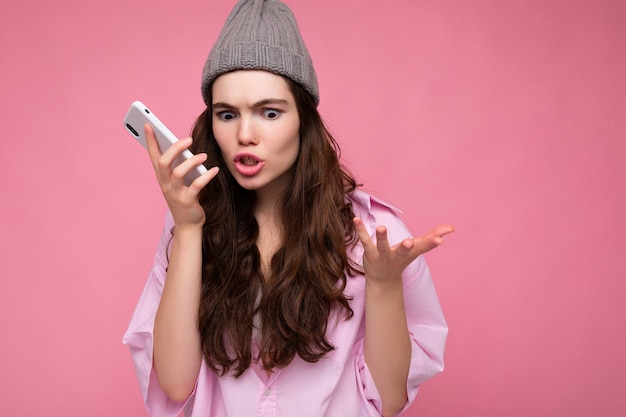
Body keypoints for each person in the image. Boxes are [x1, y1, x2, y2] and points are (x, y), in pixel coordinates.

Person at [123, 0, 454, 416]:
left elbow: (388, 400)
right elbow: (174, 382)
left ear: (304, 119)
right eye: (227, 114)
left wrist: (384, 286)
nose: (245, 134)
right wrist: (189, 229)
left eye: (270, 112)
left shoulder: (374, 235)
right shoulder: (192, 222)